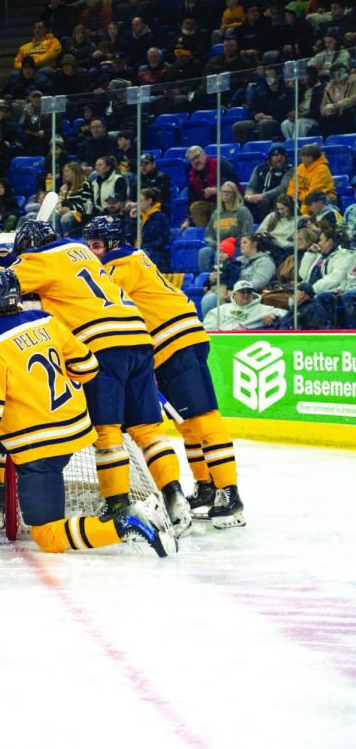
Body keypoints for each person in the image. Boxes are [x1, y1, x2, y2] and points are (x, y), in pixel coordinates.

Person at [0, 269, 176, 553]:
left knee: (48, 536)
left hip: (37, 445)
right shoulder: (44, 320)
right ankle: (125, 518)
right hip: (74, 429)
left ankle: (125, 522)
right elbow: (87, 365)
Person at [11, 218, 179, 522]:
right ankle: (173, 494)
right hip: (139, 338)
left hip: (102, 343)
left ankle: (118, 504)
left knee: (107, 430)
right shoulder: (83, 251)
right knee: (147, 429)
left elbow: (1, 287)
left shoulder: (37, 258)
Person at [85, 216, 240, 526]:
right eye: (89, 246)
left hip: (176, 340)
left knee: (202, 417)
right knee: (187, 424)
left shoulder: (119, 263)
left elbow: (95, 296)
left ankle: (231, 495)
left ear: (113, 243)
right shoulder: (125, 258)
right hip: (168, 344)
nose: (93, 252)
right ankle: (207, 487)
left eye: (98, 246)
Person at [203, 279, 285, 330]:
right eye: (242, 292)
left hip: (248, 341)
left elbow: (286, 313)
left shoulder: (262, 309)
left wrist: (274, 315)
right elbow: (207, 329)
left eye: (248, 292)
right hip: (223, 342)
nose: (246, 294)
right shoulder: (220, 310)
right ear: (234, 294)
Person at [243, 145, 290, 223]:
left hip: (276, 200)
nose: (279, 157)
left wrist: (262, 196)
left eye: (282, 155)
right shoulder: (259, 168)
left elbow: (282, 188)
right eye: (276, 155)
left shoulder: (289, 170)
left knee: (264, 202)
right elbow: (251, 186)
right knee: (241, 201)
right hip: (256, 199)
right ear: (270, 157)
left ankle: (264, 227)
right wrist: (249, 196)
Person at [294, 144, 336, 214]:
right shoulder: (301, 167)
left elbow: (313, 194)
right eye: (303, 156)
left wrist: (302, 215)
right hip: (305, 198)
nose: (303, 158)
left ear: (314, 157)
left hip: (323, 199)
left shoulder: (322, 169)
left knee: (315, 201)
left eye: (307, 156)